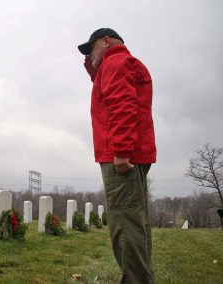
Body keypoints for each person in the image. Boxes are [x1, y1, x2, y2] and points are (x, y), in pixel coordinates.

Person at [78, 28, 156, 284]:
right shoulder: (120, 63)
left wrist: (121, 151)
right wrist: (93, 69)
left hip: (121, 156)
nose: (90, 54)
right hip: (131, 152)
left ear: (106, 41)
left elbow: (122, 104)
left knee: (124, 227)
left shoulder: (115, 62)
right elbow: (110, 92)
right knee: (134, 224)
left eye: (92, 48)